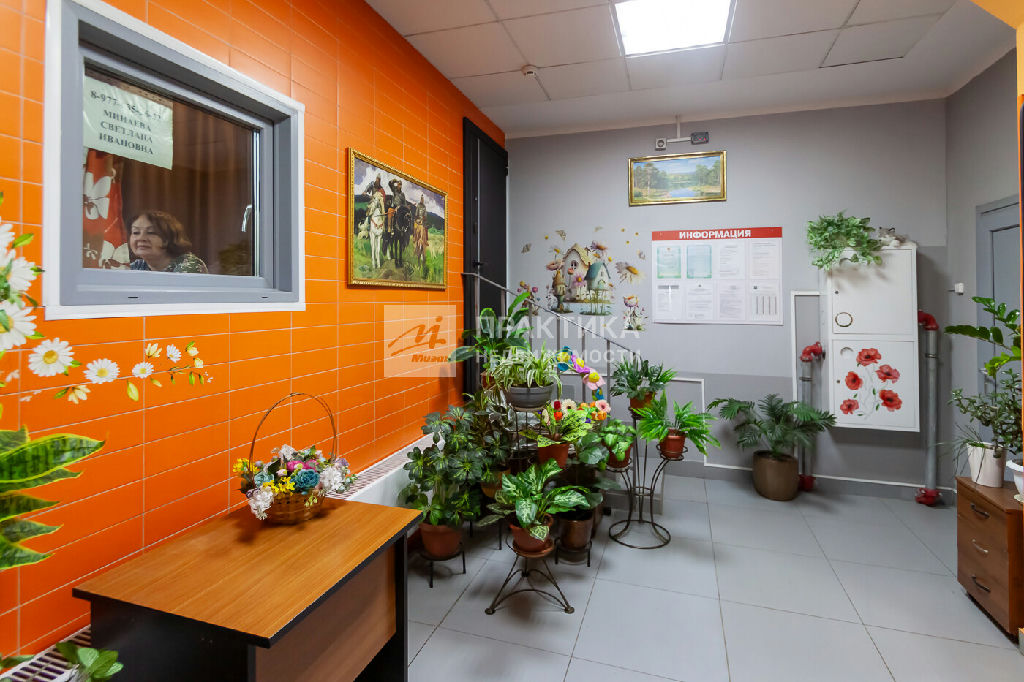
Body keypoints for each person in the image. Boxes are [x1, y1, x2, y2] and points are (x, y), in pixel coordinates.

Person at [128, 210, 208, 273]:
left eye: (151, 232)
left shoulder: (189, 266)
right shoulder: (138, 266)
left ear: (168, 238)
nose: (141, 238)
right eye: (136, 232)